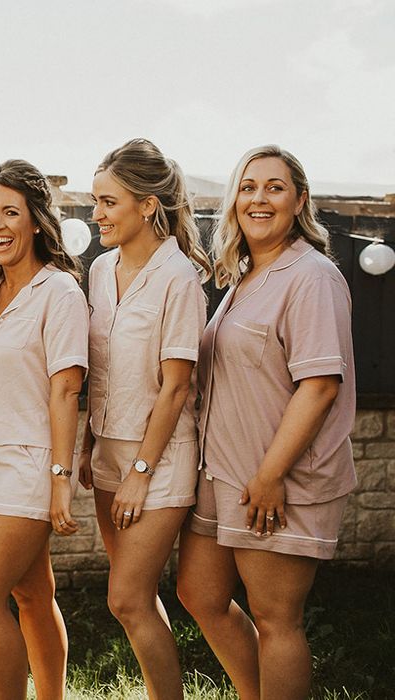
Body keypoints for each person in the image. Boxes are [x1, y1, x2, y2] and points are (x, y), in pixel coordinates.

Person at [176, 145, 357, 700]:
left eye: (274, 187)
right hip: (223, 476)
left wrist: (271, 474)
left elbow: (321, 384)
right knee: (199, 595)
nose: (259, 198)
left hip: (279, 480)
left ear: (300, 201)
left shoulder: (312, 276)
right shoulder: (245, 278)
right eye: (248, 186)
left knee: (277, 619)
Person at [79, 139, 211, 700]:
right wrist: (90, 444)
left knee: (126, 598)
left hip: (157, 461)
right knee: (136, 596)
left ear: (148, 205)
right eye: (95, 202)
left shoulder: (178, 279)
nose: (97, 214)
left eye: (108, 202)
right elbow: (100, 371)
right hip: (107, 453)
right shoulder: (100, 269)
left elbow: (176, 385)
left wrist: (138, 470)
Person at [0, 159, 89, 700]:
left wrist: (60, 479)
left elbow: (66, 390)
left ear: (36, 220)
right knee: (33, 594)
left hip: (33, 464)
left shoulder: (58, 292)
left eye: (10, 212)